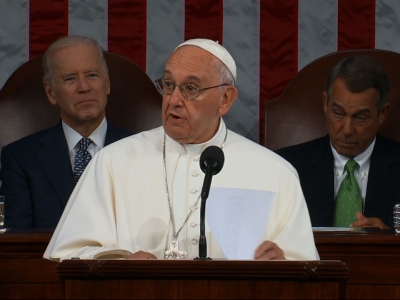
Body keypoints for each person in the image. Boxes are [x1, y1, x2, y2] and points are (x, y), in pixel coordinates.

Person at [44, 38, 319, 261]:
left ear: (225, 99)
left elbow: (304, 269)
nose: (174, 99)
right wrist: (119, 262)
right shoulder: (113, 162)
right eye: (168, 85)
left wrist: (281, 268)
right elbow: (65, 255)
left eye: (190, 88)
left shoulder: (274, 172)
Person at [0, 36, 132, 229]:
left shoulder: (141, 151)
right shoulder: (21, 159)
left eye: (92, 75)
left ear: (107, 83)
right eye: (70, 78)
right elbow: (19, 247)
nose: (84, 87)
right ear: (51, 92)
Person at [276, 55, 400, 229]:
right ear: (326, 103)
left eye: (361, 118)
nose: (347, 130)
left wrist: (391, 244)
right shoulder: (285, 167)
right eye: (338, 114)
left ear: (382, 114)